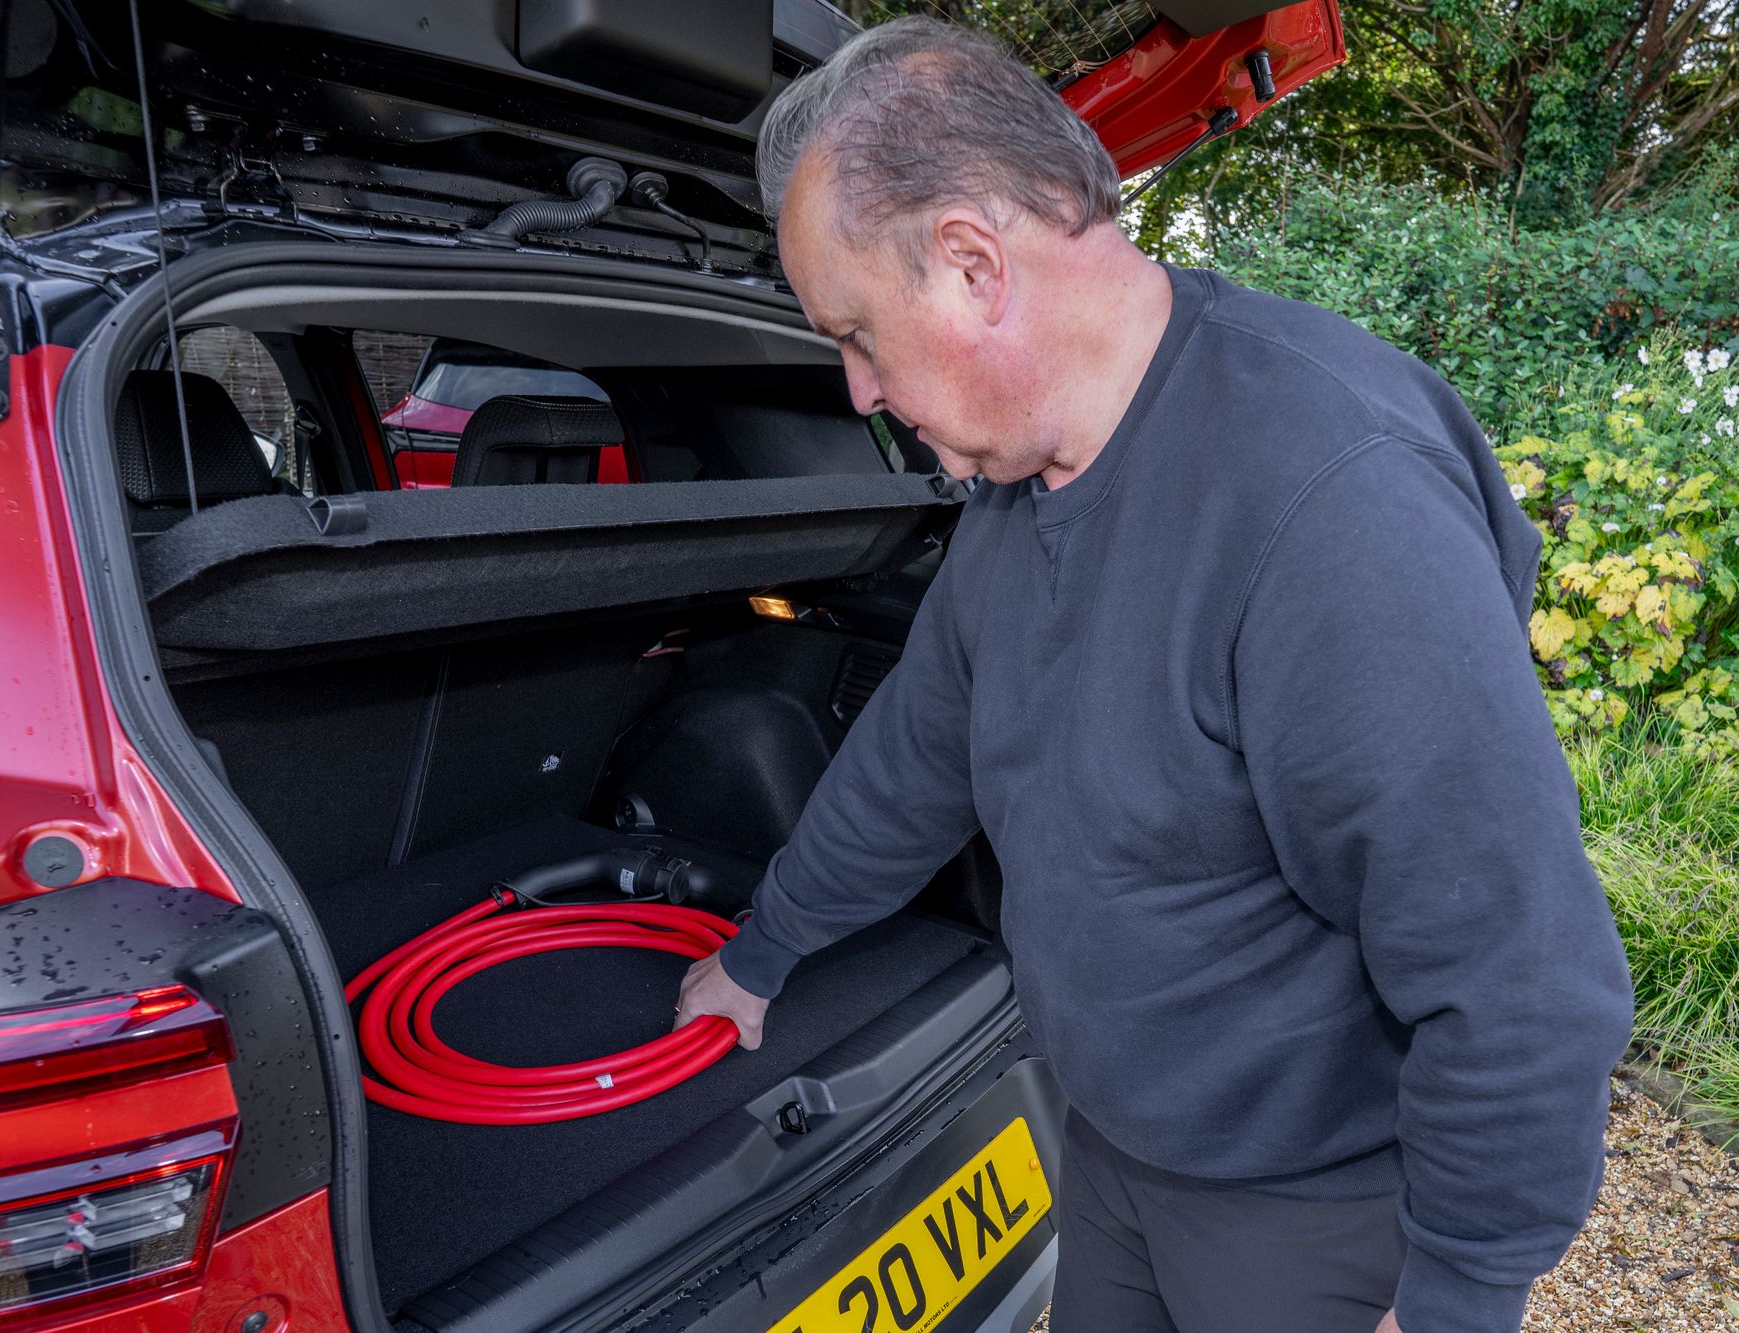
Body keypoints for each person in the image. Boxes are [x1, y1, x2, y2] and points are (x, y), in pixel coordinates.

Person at [669, 17, 1635, 1333]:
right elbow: (916, 752)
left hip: (1316, 1217)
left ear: (968, 265)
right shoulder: (1018, 497)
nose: (855, 390)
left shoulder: (1326, 503)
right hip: (1115, 1155)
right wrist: (766, 947)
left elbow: (1519, 972)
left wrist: (1460, 1293)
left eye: (856, 332)